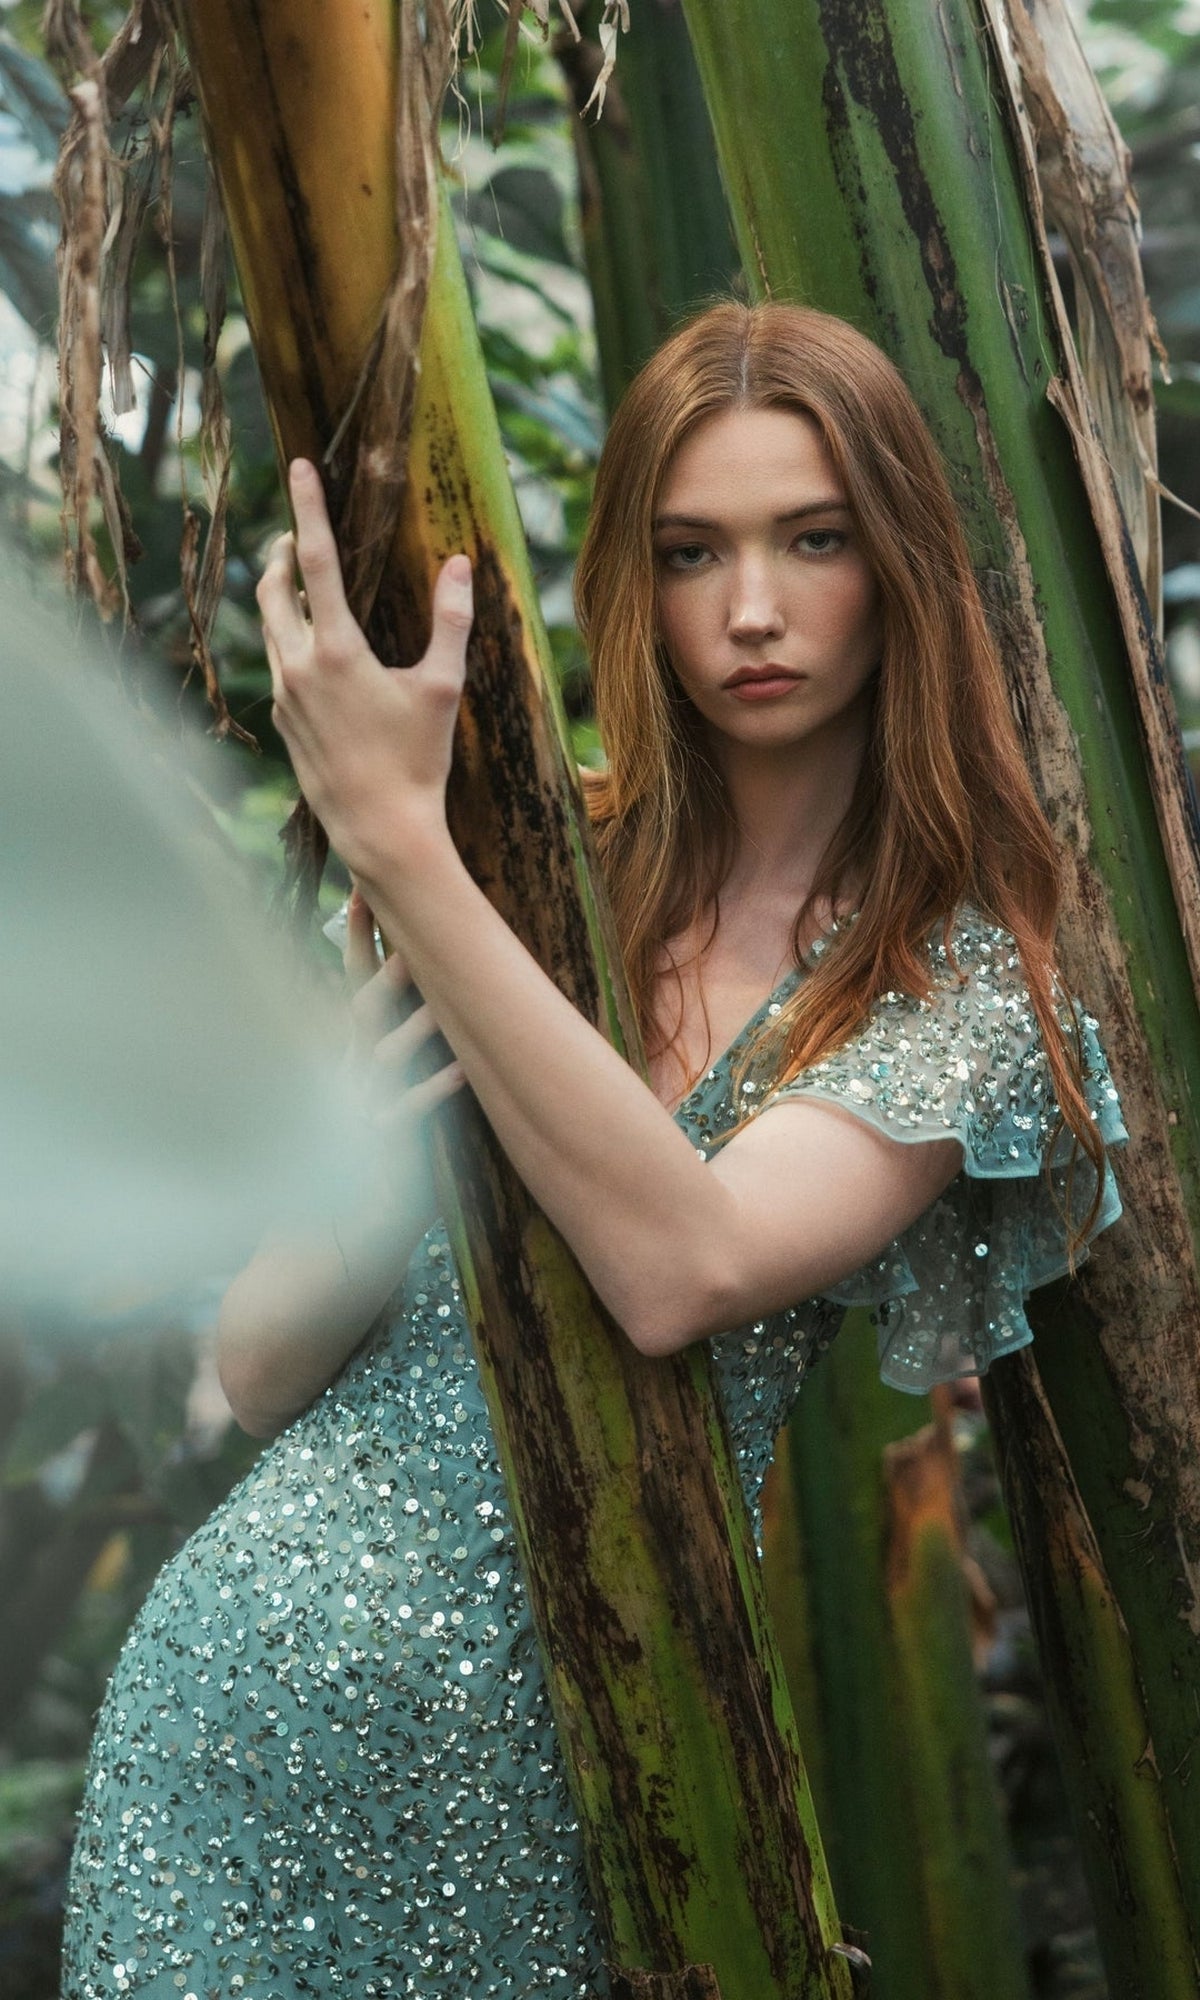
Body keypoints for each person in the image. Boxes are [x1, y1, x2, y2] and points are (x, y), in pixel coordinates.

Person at [62, 302, 1124, 1998]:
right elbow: (261, 1364)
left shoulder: (961, 980)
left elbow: (679, 1269)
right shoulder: (538, 866)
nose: (753, 610)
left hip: (581, 1771)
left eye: (815, 539)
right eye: (693, 550)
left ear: (900, 566)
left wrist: (401, 846)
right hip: (229, 1748)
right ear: (640, 580)